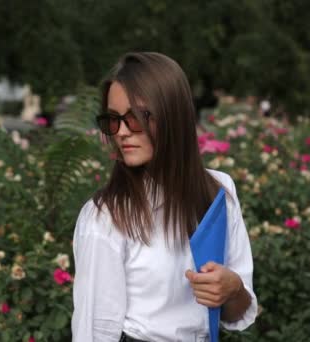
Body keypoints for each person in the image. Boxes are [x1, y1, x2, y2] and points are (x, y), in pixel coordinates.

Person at [71, 52, 257, 342]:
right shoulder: (105, 218)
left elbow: (235, 315)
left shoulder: (218, 192)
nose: (120, 132)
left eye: (135, 118)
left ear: (173, 116)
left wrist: (233, 289)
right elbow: (94, 332)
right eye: (113, 120)